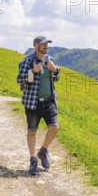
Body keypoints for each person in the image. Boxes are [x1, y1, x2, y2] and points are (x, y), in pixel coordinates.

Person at [17, 35, 60, 175]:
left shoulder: (50, 60)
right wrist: (32, 71)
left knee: (54, 128)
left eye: (47, 44)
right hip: (33, 103)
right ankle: (33, 159)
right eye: (43, 44)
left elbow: (56, 78)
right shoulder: (27, 61)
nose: (46, 46)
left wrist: (55, 70)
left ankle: (43, 151)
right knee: (32, 131)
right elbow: (20, 79)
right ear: (36, 46)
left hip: (49, 101)